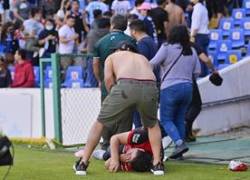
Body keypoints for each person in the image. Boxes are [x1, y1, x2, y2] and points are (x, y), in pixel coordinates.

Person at [73, 41, 164, 176]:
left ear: (117, 50)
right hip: (150, 86)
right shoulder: (142, 58)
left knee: (100, 123)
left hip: (126, 85)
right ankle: (157, 164)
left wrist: (116, 98)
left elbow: (108, 80)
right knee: (152, 125)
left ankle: (83, 163)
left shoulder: (112, 57)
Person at [150, 25, 200, 159]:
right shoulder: (192, 50)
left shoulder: (166, 47)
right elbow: (197, 72)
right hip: (188, 88)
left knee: (166, 119)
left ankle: (179, 143)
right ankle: (179, 154)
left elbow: (153, 63)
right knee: (179, 119)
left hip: (170, 88)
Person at [190, 0, 209, 77]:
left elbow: (196, 26)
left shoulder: (197, 8)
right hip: (204, 34)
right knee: (204, 55)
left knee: (200, 57)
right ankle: (205, 74)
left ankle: (202, 76)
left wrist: (191, 36)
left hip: (199, 35)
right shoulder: (203, 8)